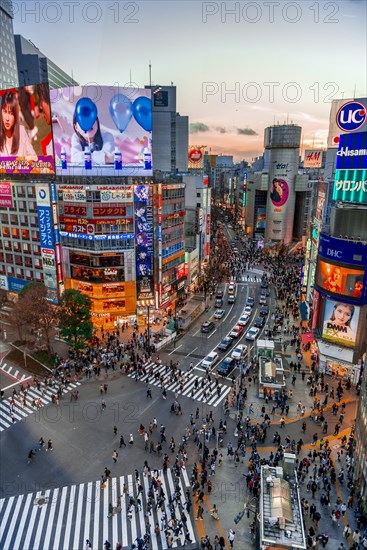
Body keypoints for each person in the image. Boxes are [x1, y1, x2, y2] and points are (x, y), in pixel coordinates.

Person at [0, 90, 37, 158]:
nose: (7, 118)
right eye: (5, 112)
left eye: (11, 113)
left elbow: (33, 157)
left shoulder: (21, 131)